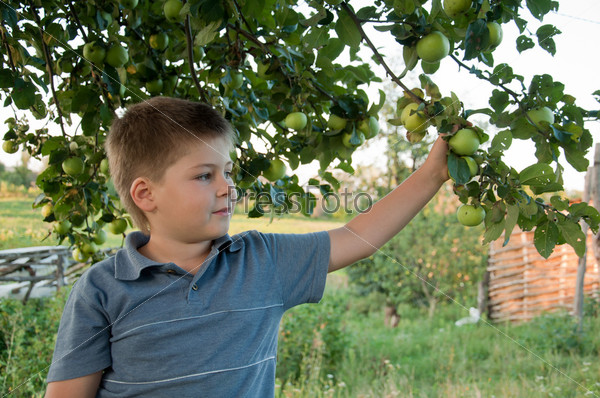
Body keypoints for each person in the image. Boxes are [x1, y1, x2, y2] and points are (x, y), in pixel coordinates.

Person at [45, 96, 448, 397]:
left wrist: (432, 175)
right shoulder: (102, 290)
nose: (227, 187)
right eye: (205, 176)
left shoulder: (260, 261)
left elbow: (357, 237)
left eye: (228, 172)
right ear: (146, 194)